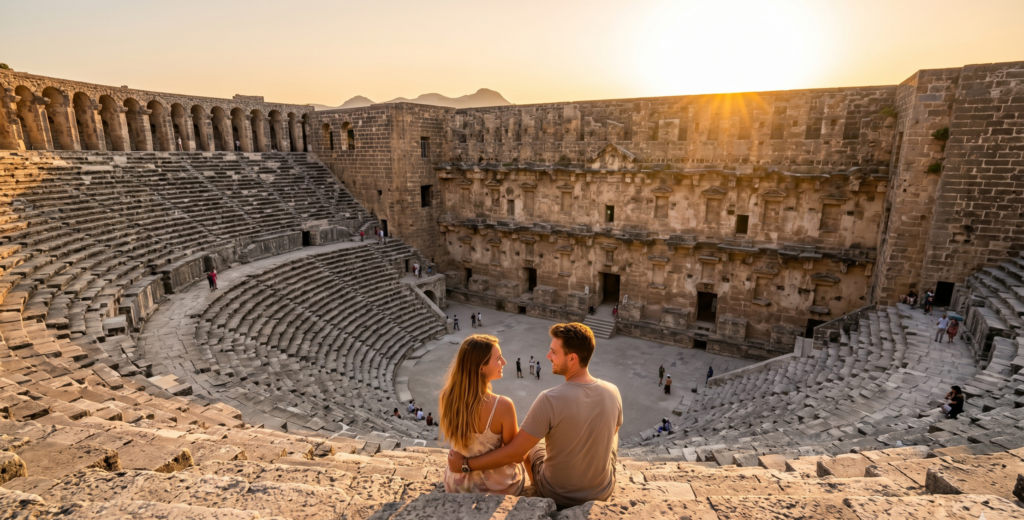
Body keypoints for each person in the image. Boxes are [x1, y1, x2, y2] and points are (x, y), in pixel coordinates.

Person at [448, 323, 623, 508]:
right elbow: (612, 432)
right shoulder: (613, 391)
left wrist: (466, 464)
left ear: (572, 358)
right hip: (602, 490)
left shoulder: (549, 399)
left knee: (532, 444)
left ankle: (537, 482)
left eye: (554, 352)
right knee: (612, 433)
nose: (548, 356)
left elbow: (516, 452)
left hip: (555, 493)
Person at [440, 335, 525, 495]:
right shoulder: (503, 405)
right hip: (498, 487)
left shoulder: (447, 396)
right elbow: (516, 455)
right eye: (498, 358)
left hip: (457, 485)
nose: (504, 362)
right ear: (482, 368)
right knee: (532, 446)